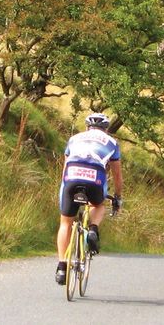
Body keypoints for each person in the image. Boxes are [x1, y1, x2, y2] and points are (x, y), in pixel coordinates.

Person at [55, 112, 122, 285]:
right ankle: (92, 229)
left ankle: (62, 267)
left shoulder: (74, 139)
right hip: (95, 177)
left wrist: (64, 190)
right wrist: (117, 197)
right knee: (98, 205)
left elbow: (65, 169)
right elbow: (117, 175)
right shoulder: (112, 143)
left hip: (71, 177)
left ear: (87, 127)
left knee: (65, 223)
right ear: (106, 129)